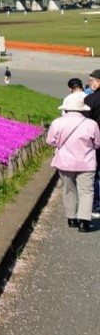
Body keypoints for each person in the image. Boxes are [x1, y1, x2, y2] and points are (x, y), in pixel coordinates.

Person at [48, 92, 100, 231]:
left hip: (65, 162)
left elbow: (51, 141)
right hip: (86, 162)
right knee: (86, 191)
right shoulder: (91, 124)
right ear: (83, 109)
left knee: (68, 190)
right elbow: (97, 144)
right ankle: (84, 221)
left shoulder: (57, 123)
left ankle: (71, 218)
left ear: (65, 109)